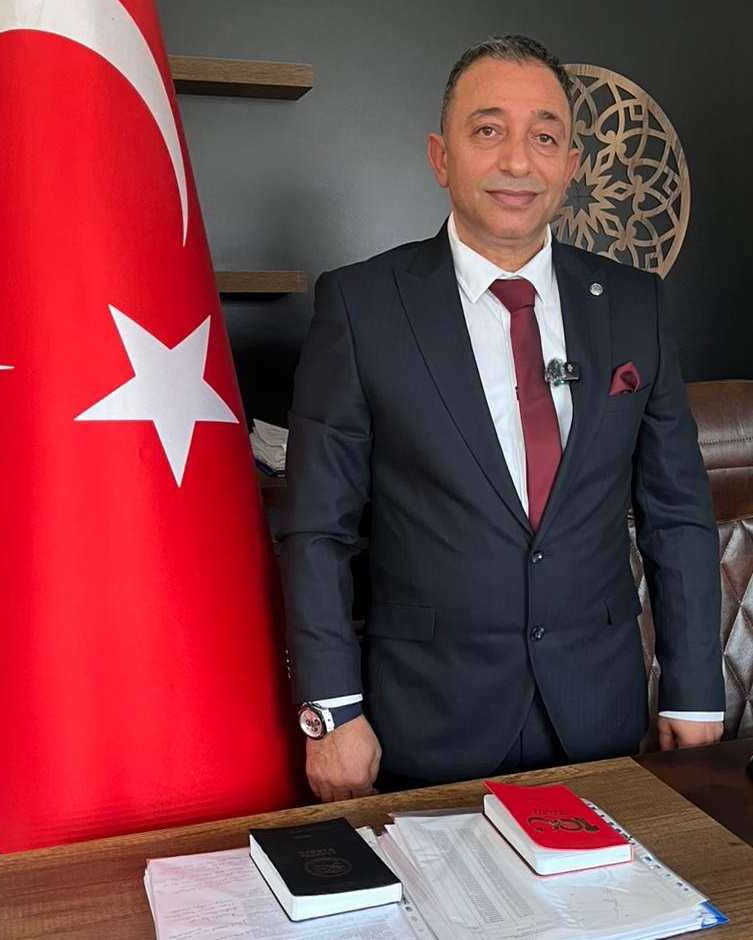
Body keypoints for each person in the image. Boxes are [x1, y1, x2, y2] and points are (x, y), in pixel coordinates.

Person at [278, 35, 725, 803]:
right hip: (424, 724)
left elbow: (677, 513)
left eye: (543, 137)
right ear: (440, 157)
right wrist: (331, 710)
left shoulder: (633, 305)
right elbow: (316, 525)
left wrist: (692, 690)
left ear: (570, 166)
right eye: (488, 130)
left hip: (598, 719)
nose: (517, 160)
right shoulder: (360, 306)